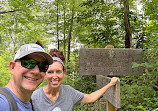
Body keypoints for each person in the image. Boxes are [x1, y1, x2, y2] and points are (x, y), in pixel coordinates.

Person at [31, 49, 119, 111]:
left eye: (58, 72)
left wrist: (110, 84)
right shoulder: (35, 97)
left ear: (64, 73)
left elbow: (90, 97)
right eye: (50, 72)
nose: (55, 76)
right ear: (45, 74)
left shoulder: (69, 92)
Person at [0, 43, 53, 111]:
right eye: (28, 63)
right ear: (12, 67)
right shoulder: (3, 103)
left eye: (42, 66)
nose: (36, 71)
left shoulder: (30, 103)